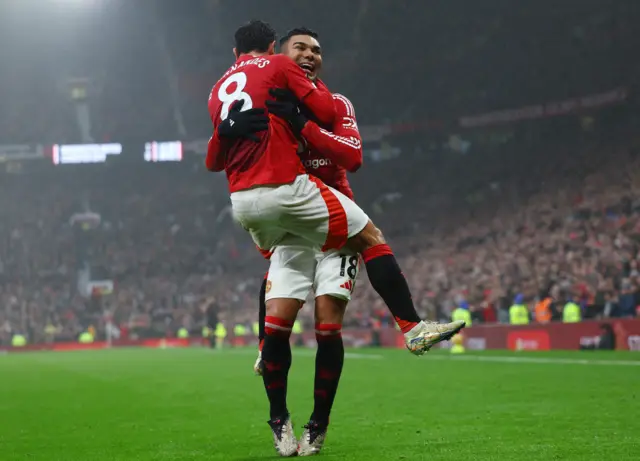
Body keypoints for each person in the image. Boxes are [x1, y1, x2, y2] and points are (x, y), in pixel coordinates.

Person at [207, 20, 464, 357]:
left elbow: (352, 156)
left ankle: (296, 381)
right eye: (300, 48)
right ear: (277, 55)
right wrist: (227, 131)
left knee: (326, 324)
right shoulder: (268, 97)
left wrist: (301, 124)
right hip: (298, 200)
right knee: (297, 260)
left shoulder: (335, 103)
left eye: (316, 50)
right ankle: (411, 328)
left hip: (320, 214)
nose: (309, 55)